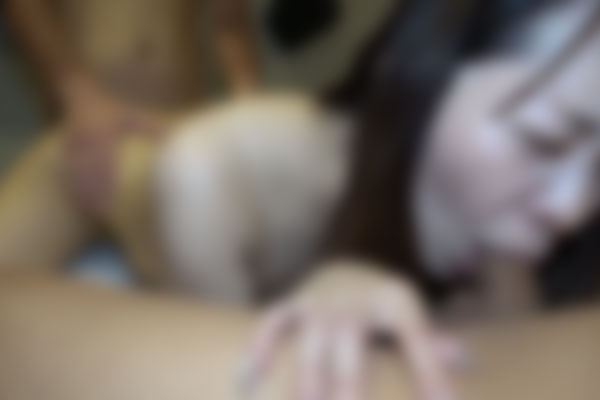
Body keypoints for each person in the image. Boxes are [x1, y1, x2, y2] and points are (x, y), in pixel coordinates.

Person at [1, 0, 600, 399]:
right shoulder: (204, 177)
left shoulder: (502, 188)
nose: (574, 210)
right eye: (545, 139)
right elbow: (237, 379)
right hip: (82, 173)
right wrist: (75, 88)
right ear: (417, 69)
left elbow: (514, 346)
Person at [5, 0, 257, 212]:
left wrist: (249, 108)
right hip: (83, 136)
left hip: (177, 132)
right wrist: (77, 92)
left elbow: (231, 24)